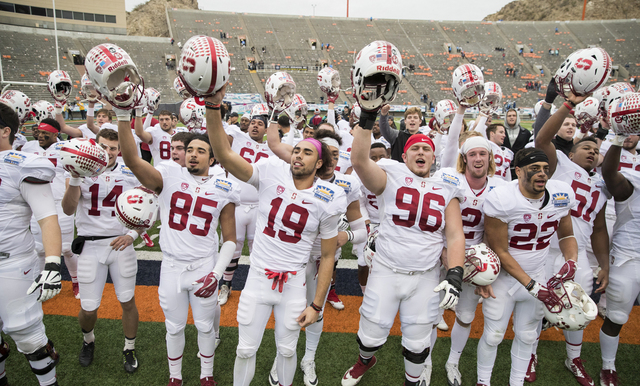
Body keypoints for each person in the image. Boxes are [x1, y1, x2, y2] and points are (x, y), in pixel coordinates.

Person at [204, 85, 346, 386]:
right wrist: (213, 108)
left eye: (307, 152)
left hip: (294, 281)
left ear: (319, 163)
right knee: (244, 350)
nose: (298, 155)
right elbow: (225, 156)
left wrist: (317, 304)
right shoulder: (271, 171)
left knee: (286, 349)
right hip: (258, 276)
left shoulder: (330, 196)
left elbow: (329, 255)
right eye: (296, 150)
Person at [117, 107, 239, 386]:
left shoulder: (225, 186)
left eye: (200, 150)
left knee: (206, 326)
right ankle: (176, 377)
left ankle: (206, 374)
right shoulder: (168, 176)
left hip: (204, 265)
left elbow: (230, 239)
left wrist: (217, 274)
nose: (193, 154)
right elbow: (132, 159)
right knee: (173, 327)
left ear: (212, 157)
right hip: (171, 265)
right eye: (190, 149)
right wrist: (123, 114)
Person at [342, 116, 466, 385]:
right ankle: (366, 359)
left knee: (418, 341)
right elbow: (360, 162)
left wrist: (455, 273)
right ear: (405, 155)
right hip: (386, 268)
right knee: (370, 334)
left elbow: (455, 235)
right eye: (415, 149)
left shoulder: (447, 185)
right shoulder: (392, 175)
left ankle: (412, 381)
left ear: (433, 157)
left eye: (426, 149)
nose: (421, 152)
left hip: (426, 275)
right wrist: (367, 117)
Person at [266, 126, 367, 386]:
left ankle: (308, 358)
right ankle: (282, 356)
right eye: (328, 153)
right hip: (290, 256)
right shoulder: (295, 176)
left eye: (336, 154)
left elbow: (361, 229)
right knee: (286, 309)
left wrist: (344, 238)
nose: (332, 160)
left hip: (323, 259)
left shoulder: (347, 183)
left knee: (316, 309)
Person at [478, 148, 579, 386]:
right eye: (534, 169)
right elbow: (500, 250)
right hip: (503, 278)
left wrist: (572, 260)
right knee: (493, 336)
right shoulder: (502, 198)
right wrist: (532, 286)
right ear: (518, 171)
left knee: (527, 335)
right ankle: (483, 381)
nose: (542, 174)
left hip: (537, 274)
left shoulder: (560, 194)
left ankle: (516, 382)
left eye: (545, 169)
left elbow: (566, 236)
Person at [532, 95, 610, 386]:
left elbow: (599, 229)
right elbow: (542, 140)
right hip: (546, 248)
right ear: (572, 153)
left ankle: (573, 357)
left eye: (595, 149)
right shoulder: (561, 165)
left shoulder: (600, 187)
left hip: (578, 256)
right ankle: (530, 352)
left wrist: (604, 264)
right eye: (586, 147)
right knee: (537, 306)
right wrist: (568, 105)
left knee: (580, 307)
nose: (591, 152)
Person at [60, 128, 142, 374]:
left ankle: (129, 347)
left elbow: (149, 207)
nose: (108, 152)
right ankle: (88, 340)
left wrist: (133, 234)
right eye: (104, 147)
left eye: (113, 148)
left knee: (127, 301)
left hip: (121, 245)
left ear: (120, 150)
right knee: (88, 307)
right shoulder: (80, 171)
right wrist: (74, 178)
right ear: (96, 146)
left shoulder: (130, 172)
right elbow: (67, 209)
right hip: (90, 246)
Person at [435, 109, 505, 386]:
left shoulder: (499, 187)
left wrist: (484, 263)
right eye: (472, 154)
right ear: (464, 159)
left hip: (474, 258)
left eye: (483, 154)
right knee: (430, 312)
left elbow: (496, 230)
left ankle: (453, 361)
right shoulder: (449, 179)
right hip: (440, 252)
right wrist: (442, 252)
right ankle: (425, 362)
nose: (478, 158)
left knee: (465, 316)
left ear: (490, 158)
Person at [0, 103, 62, 386]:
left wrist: (51, 264)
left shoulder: (20, 164)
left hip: (10, 263)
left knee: (29, 336)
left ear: (5, 131)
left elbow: (48, 218)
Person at [598, 124, 640, 386]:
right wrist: (619, 137)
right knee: (616, 317)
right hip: (630, 256)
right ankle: (608, 366)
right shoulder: (632, 184)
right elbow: (609, 173)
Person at [218, 112, 273, 307]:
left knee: (258, 250)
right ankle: (226, 284)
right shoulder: (236, 137)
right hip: (237, 203)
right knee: (232, 247)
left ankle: (256, 287)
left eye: (260, 124)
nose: (255, 126)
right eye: (252, 123)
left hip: (260, 205)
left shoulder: (271, 148)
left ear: (267, 129)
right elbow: (219, 140)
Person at [21, 119, 80, 298]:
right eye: (38, 132)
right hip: (37, 203)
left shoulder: (65, 148)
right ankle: (42, 281)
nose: (40, 135)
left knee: (67, 248)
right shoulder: (27, 148)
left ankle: (77, 281)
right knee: (39, 248)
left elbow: (71, 177)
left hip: (59, 203)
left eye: (45, 132)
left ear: (55, 133)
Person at [502, 108, 531, 178]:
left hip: (520, 166)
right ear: (506, 118)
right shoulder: (500, 131)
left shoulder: (525, 132)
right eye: (509, 116)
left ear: (517, 117)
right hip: (504, 166)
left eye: (514, 115)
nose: (511, 117)